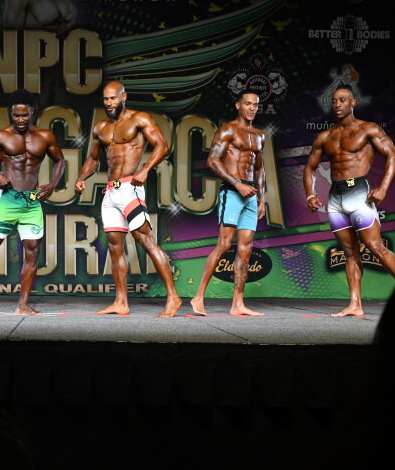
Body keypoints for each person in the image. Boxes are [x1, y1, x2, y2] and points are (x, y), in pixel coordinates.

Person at [74, 81, 182, 317]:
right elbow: (93, 158)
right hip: (110, 193)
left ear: (123, 97)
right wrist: (82, 177)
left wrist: (145, 169)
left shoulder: (138, 119)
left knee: (145, 239)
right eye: (106, 99)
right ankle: (121, 302)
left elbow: (162, 146)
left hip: (130, 188)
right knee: (115, 246)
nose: (109, 103)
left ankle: (173, 297)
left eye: (113, 98)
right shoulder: (101, 128)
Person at [0, 89, 65, 315]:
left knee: (32, 251)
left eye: (24, 115)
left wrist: (53, 184)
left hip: (32, 201)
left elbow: (60, 160)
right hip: (8, 199)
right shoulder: (0, 136)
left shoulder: (45, 136)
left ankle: (23, 304)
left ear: (32, 112)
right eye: (16, 115)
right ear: (11, 113)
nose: (20, 120)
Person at [303, 84, 395, 316]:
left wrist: (383, 187)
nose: (337, 104)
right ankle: (355, 304)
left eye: (342, 100)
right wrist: (310, 193)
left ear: (353, 102)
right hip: (335, 197)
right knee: (349, 252)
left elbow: (393, 155)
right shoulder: (325, 136)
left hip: (358, 192)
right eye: (334, 101)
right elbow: (309, 168)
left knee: (375, 247)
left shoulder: (368, 129)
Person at [191, 92, 266, 317]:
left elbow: (260, 169)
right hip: (232, 192)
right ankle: (198, 297)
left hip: (251, 195)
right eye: (247, 104)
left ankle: (238, 304)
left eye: (255, 105)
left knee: (246, 249)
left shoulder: (260, 135)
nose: (252, 108)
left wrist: (262, 199)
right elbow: (212, 161)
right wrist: (237, 184)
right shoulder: (227, 130)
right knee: (224, 244)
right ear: (238, 105)